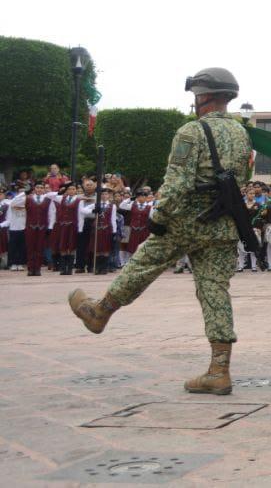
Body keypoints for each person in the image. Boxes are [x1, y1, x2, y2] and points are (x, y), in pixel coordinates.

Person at [68, 67, 253, 395]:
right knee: (214, 290)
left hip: (185, 219)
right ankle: (219, 369)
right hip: (223, 221)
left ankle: (100, 312)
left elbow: (178, 181)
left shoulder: (191, 131)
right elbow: (241, 178)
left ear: (204, 97)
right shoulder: (242, 134)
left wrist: (160, 215)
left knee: (143, 264)